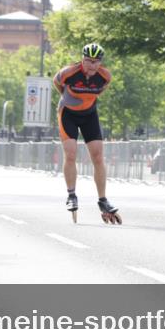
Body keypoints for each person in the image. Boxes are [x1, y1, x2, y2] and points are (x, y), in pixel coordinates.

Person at [54, 42, 121, 223]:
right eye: (88, 61)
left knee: (98, 156)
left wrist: (85, 101)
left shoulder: (105, 76)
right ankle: (71, 195)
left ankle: (103, 200)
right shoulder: (69, 72)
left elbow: (99, 91)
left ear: (100, 62)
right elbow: (57, 82)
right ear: (82, 60)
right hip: (68, 114)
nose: (92, 65)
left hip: (89, 114)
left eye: (95, 62)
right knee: (70, 153)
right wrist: (67, 98)